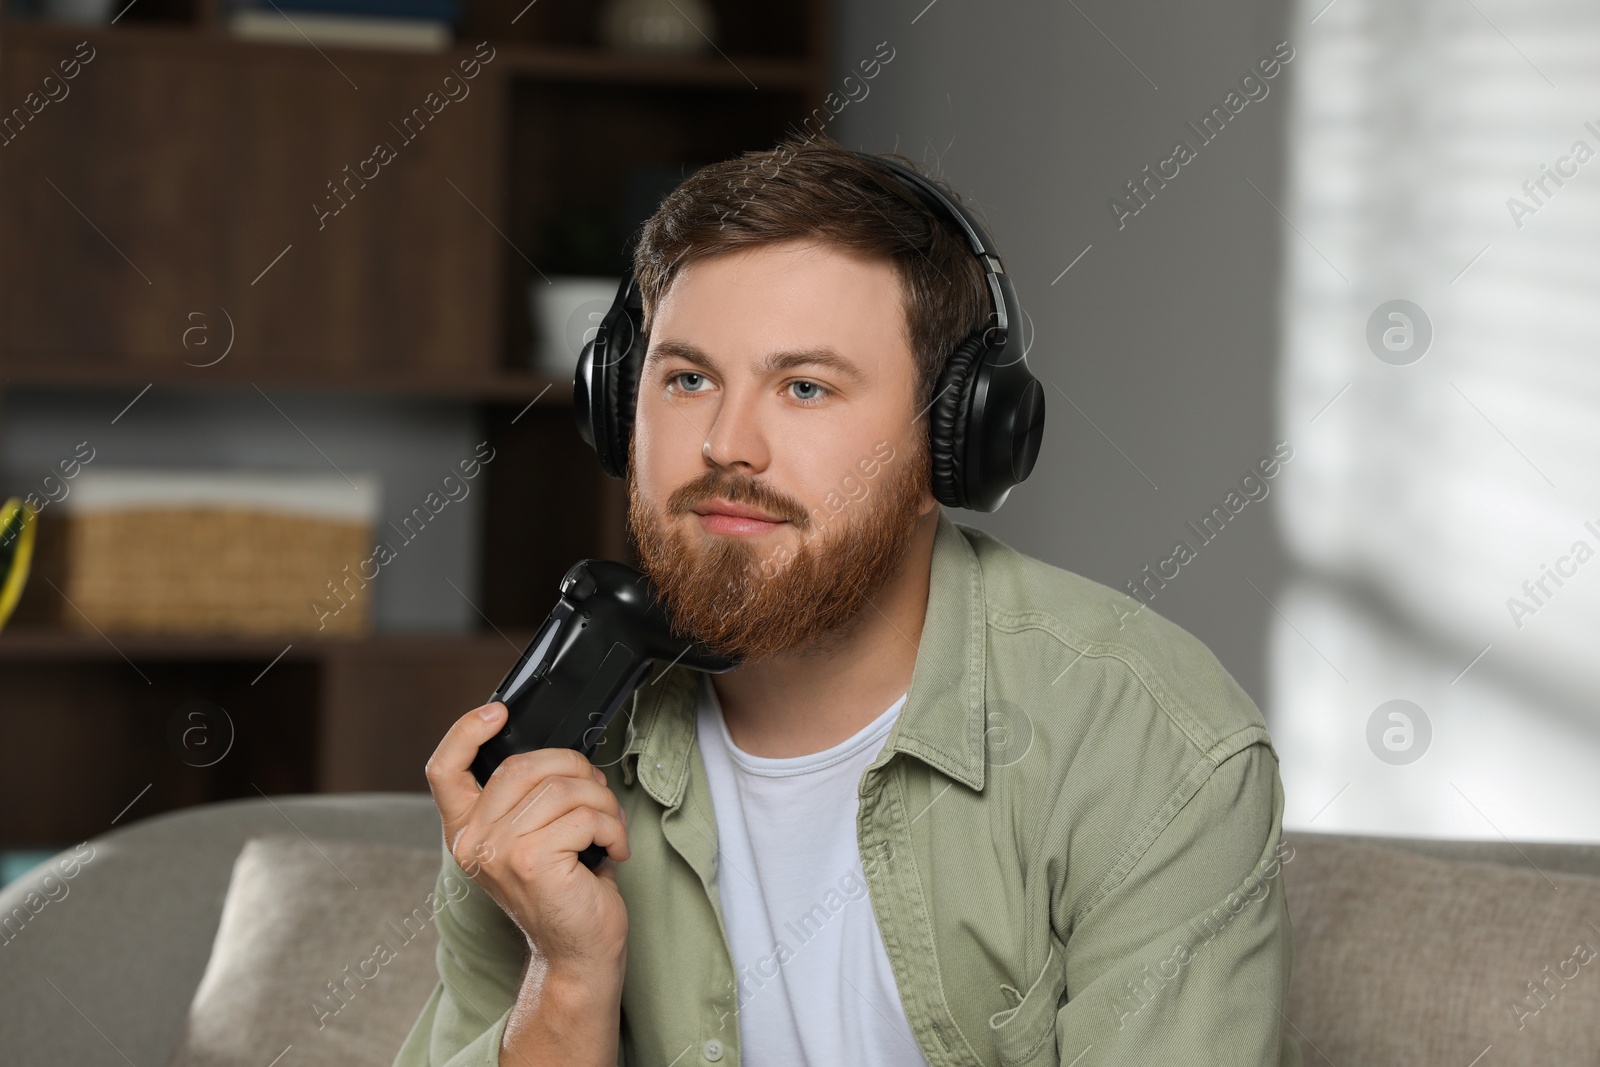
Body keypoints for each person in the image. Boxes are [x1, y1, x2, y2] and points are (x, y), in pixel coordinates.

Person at [395, 132, 1300, 1067]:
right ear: (620, 402)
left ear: (953, 447)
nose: (726, 444)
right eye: (689, 378)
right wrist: (569, 974)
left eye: (806, 387)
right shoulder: (562, 737)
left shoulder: (1147, 745)